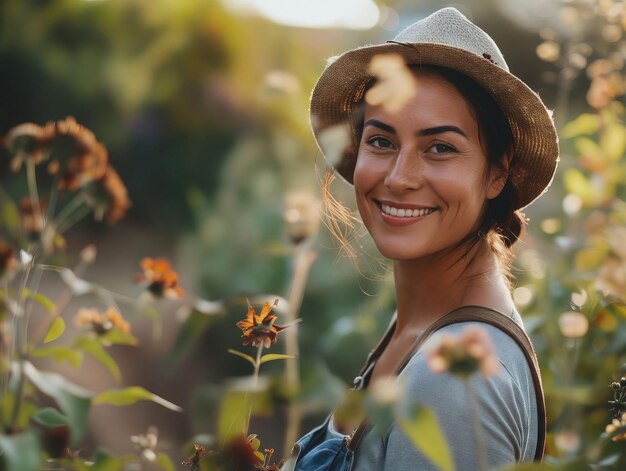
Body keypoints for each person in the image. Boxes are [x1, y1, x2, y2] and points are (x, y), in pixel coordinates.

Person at [286, 7, 559, 471]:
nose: (399, 177)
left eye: (439, 148)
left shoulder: (457, 380)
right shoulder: (421, 324)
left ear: (498, 172)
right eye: (381, 141)